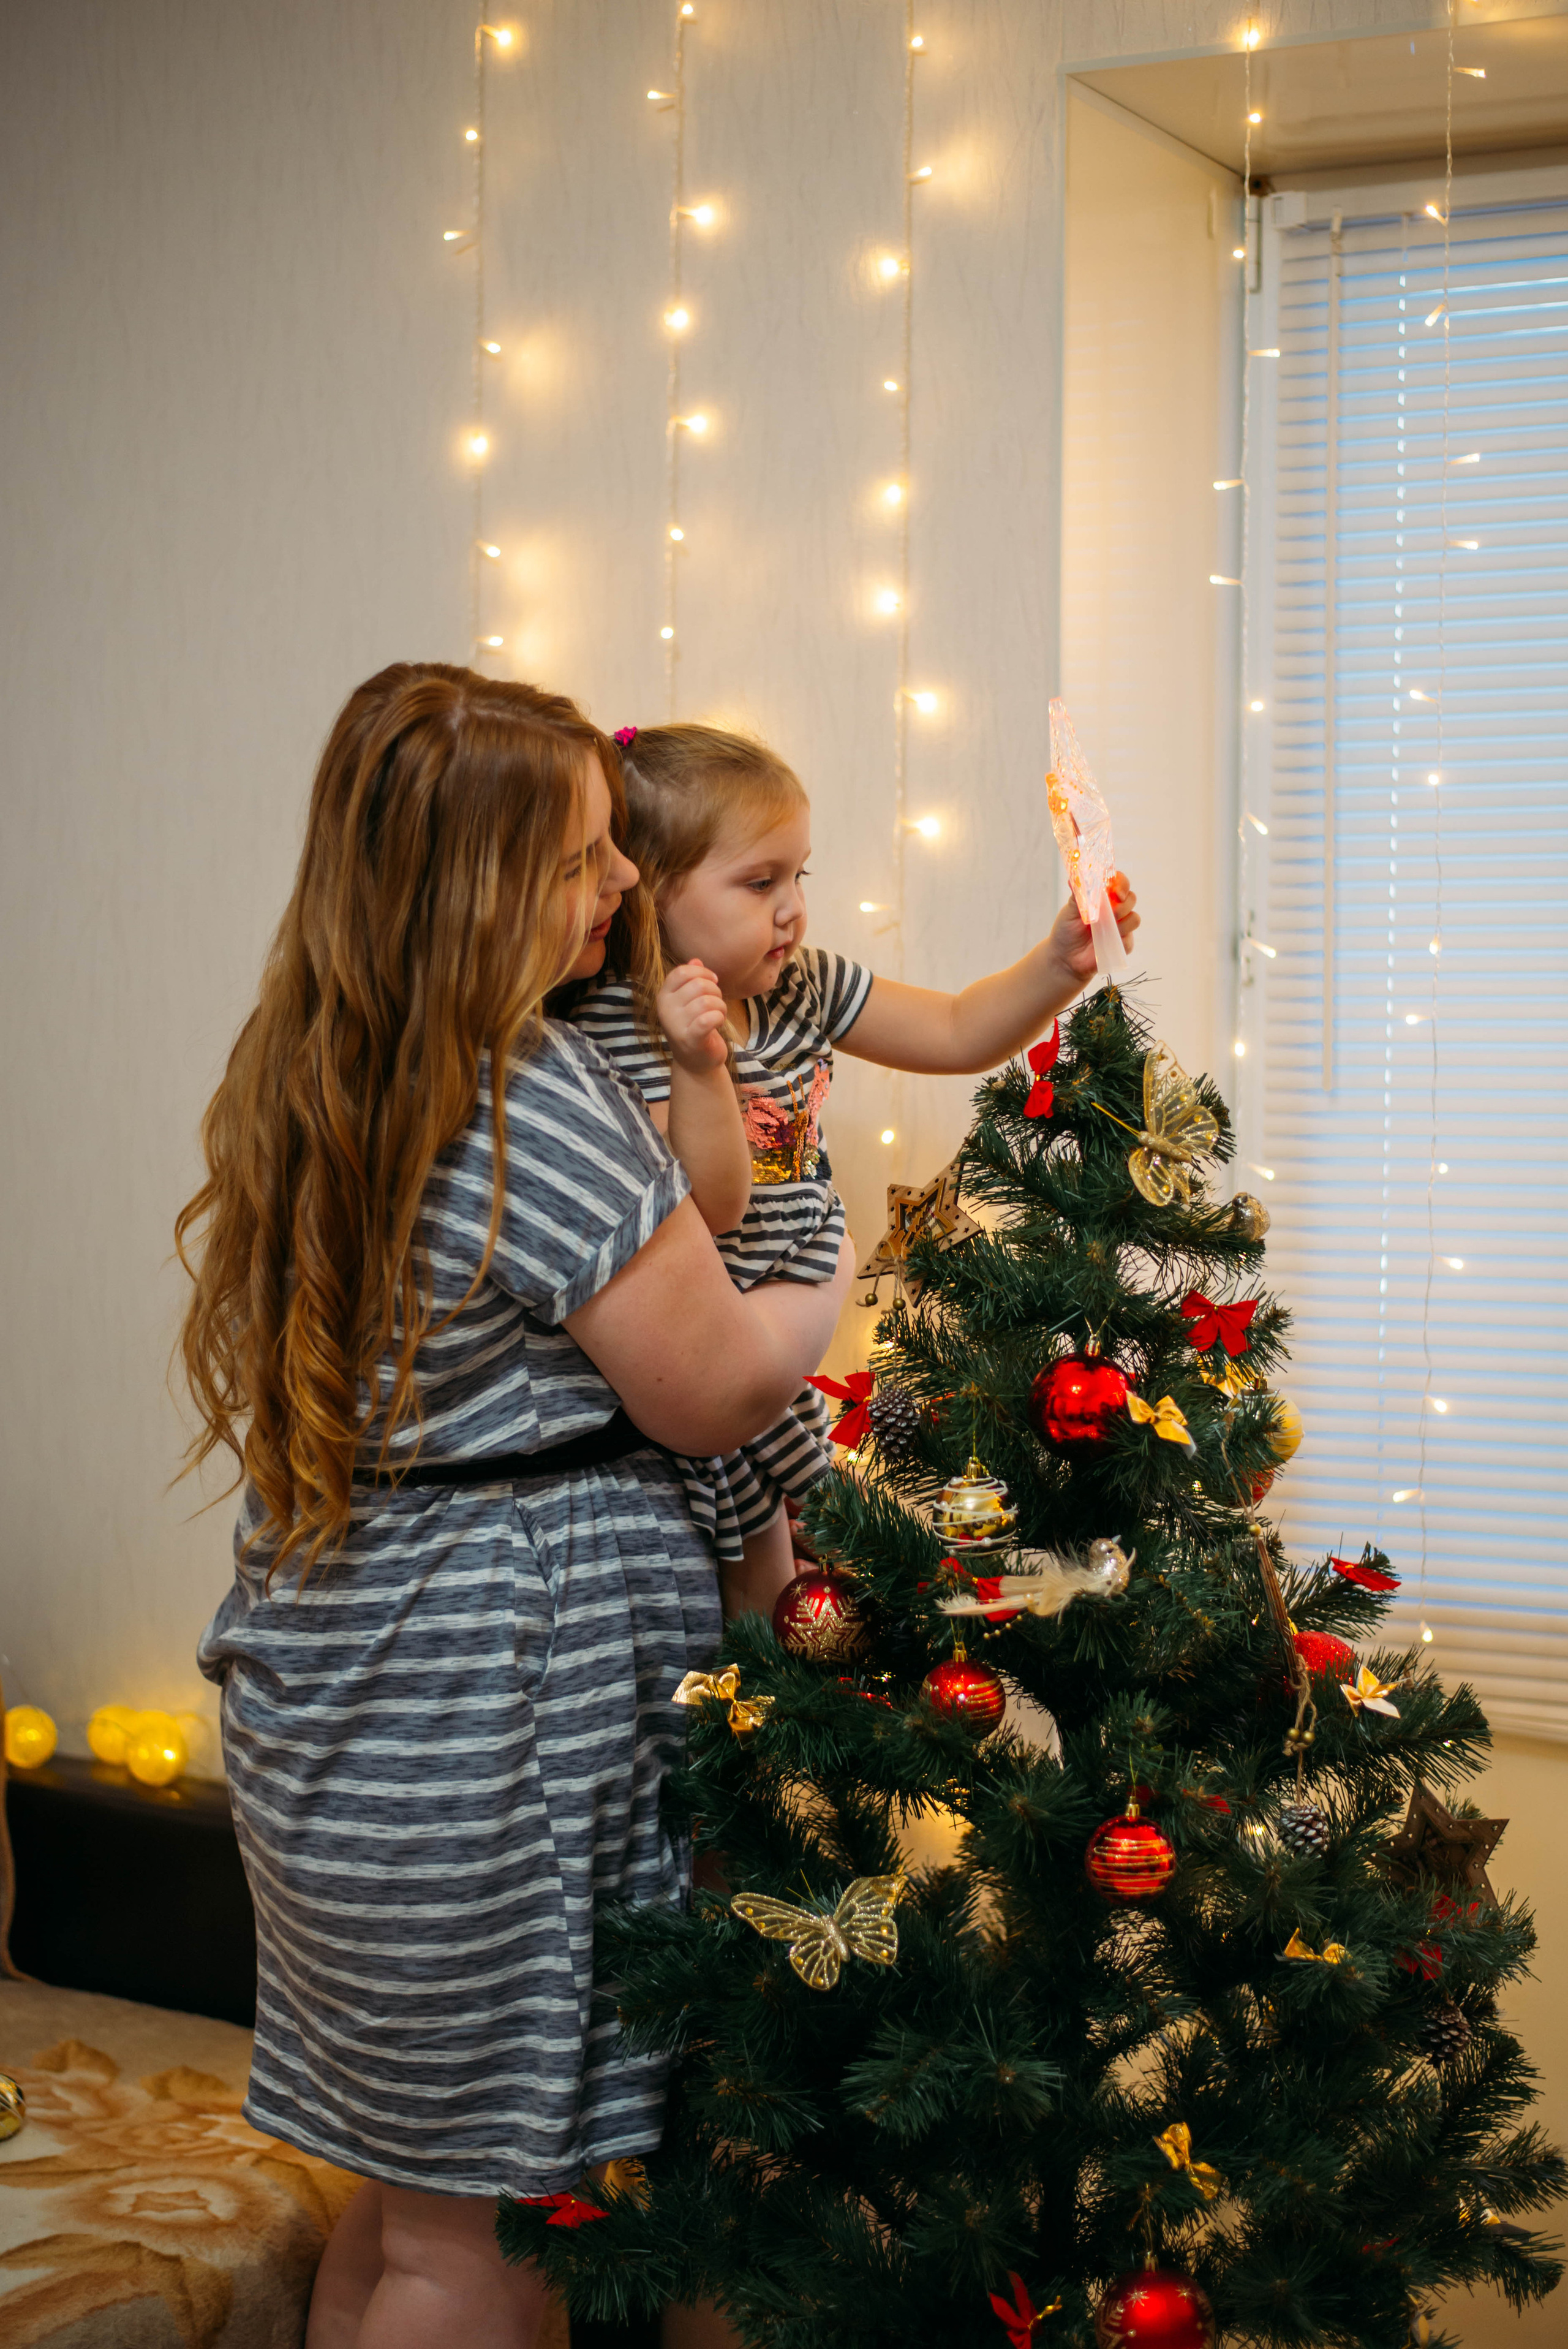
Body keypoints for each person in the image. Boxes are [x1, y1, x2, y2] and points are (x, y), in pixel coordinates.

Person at [176, 667, 854, 2349]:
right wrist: (827, 1280)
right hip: (486, 1731)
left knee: (415, 2207)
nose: (619, 882)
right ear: (469, 885)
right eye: (575, 861)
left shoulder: (322, 1063)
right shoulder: (523, 1090)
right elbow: (706, 1385)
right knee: (492, 2240)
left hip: (362, 1694)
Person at [570, 722, 1140, 1621]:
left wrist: (1055, 967)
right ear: (653, 897)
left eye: (800, 875)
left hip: (782, 1345)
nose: (793, 906)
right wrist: (699, 1060)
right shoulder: (615, 1027)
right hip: (703, 1343)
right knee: (756, 1570)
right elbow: (714, 1202)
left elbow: (954, 1029)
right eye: (759, 882)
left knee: (819, 1550)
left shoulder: (805, 986)